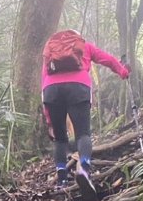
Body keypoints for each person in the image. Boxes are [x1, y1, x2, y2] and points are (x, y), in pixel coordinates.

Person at [41, 29, 130, 192]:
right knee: (83, 133)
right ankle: (83, 168)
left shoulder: (50, 51)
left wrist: (49, 121)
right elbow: (107, 59)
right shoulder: (84, 47)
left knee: (60, 138)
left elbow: (43, 78)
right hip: (78, 87)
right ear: (77, 39)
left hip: (51, 90)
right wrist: (123, 71)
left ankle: (61, 181)